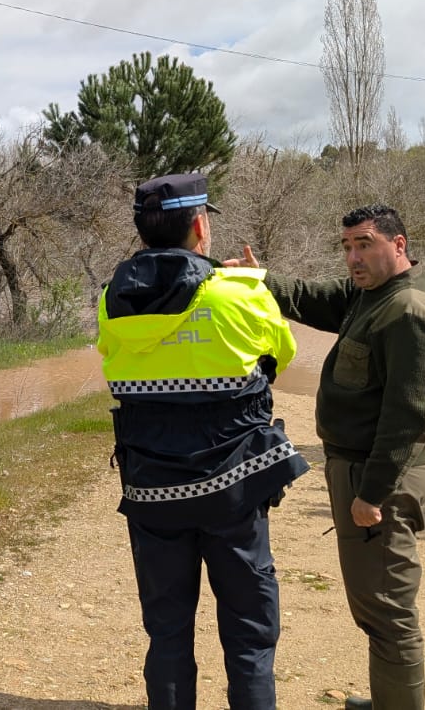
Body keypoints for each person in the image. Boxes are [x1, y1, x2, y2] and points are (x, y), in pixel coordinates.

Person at [97, 172, 309, 710]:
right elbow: (279, 360)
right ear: (199, 224)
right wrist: (246, 286)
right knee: (249, 633)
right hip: (233, 493)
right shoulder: (243, 296)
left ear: (144, 232)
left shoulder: (111, 301)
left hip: (151, 492)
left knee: (167, 633)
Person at [230, 204, 425, 710]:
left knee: (387, 610)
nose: (354, 257)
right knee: (375, 604)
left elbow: (408, 415)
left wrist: (372, 495)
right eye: (348, 247)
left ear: (399, 245)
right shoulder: (372, 296)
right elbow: (315, 298)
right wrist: (258, 279)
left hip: (378, 479)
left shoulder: (408, 313)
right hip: (359, 471)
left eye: (366, 244)